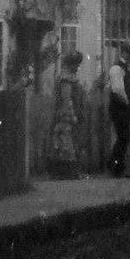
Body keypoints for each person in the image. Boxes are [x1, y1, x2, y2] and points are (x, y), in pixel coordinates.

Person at [47, 51, 87, 179]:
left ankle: (66, 172)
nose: (77, 67)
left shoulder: (69, 78)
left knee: (68, 143)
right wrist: (71, 116)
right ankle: (66, 173)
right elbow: (66, 100)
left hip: (71, 115)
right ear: (70, 65)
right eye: (75, 64)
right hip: (67, 117)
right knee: (65, 144)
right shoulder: (66, 79)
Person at [107, 43, 130, 178]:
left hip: (126, 109)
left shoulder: (127, 69)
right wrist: (128, 103)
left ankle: (116, 165)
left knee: (124, 138)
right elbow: (117, 90)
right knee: (123, 137)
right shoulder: (116, 68)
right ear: (122, 52)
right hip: (120, 109)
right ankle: (116, 166)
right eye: (128, 52)